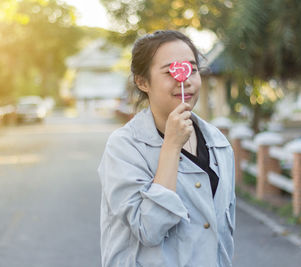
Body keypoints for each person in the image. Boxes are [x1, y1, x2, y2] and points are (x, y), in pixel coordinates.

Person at [98, 30, 236, 267]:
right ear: (142, 82)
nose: (186, 80)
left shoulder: (218, 143)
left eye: (192, 69)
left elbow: (223, 234)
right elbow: (148, 229)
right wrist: (171, 146)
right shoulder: (124, 147)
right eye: (171, 71)